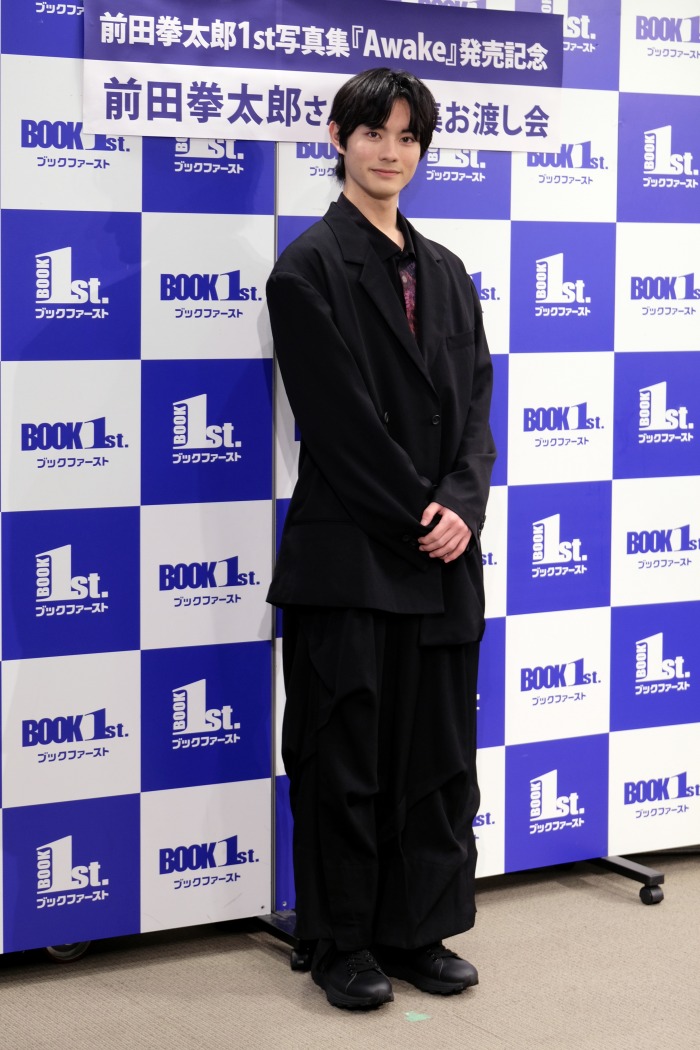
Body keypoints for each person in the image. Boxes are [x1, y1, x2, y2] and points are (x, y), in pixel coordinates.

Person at [266, 67, 496, 1011]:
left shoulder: (445, 270)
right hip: (351, 556)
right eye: (373, 133)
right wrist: (420, 517)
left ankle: (417, 929)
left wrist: (463, 506)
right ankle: (342, 942)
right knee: (344, 757)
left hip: (444, 558)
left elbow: (475, 408)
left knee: (434, 756)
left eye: (407, 137)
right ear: (338, 137)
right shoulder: (306, 267)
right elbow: (340, 424)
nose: (390, 151)